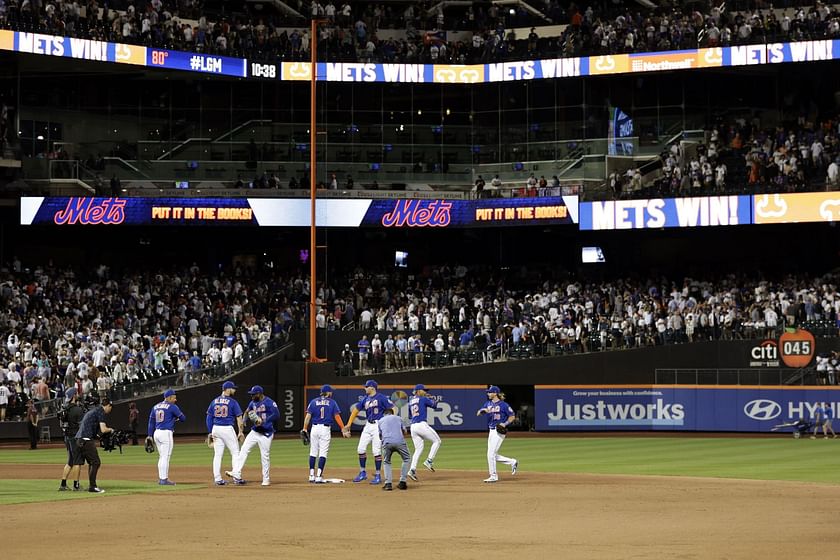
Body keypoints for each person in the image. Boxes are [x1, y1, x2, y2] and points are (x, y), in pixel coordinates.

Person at [342, 380, 395, 484]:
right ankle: (362, 473)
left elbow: (393, 408)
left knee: (376, 451)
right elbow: (355, 411)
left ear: (372, 388)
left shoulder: (382, 397)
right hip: (368, 425)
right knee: (360, 449)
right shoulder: (365, 399)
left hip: (378, 425)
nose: (365, 388)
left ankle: (378, 475)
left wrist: (390, 422)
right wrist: (348, 424)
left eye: (366, 387)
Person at [227, 386, 279, 486]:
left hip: (266, 433)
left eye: (253, 394)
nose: (251, 396)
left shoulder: (269, 402)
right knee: (244, 450)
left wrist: (264, 421)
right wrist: (244, 421)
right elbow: (247, 411)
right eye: (251, 394)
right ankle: (236, 472)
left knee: (265, 456)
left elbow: (277, 415)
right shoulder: (252, 403)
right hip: (255, 432)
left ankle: (266, 479)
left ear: (259, 393)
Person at [301, 384, 349, 483]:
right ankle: (318, 476)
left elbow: (308, 417)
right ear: (327, 392)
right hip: (325, 429)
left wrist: (305, 428)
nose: (332, 393)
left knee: (313, 452)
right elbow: (337, 417)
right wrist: (343, 429)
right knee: (323, 452)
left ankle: (311, 475)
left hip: (314, 428)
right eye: (331, 391)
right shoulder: (332, 402)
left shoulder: (313, 402)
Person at [206, 381, 245, 485]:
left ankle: (217, 479)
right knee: (235, 452)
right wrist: (240, 431)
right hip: (227, 429)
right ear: (227, 389)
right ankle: (237, 477)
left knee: (218, 455)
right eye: (233, 388)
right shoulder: (232, 402)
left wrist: (210, 432)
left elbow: (209, 417)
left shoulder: (214, 401)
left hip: (216, 428)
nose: (234, 390)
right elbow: (239, 418)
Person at [476, 386, 518, 483]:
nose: (488, 394)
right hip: (491, 431)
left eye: (489, 392)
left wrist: (505, 423)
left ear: (495, 393)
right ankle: (513, 462)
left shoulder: (504, 405)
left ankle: (493, 476)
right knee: (493, 455)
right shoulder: (487, 403)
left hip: (499, 431)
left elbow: (512, 416)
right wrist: (483, 411)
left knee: (490, 454)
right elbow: (478, 413)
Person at [75, 397, 114, 493]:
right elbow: (103, 429)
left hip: (79, 439)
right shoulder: (101, 411)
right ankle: (92, 486)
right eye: (111, 407)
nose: (110, 409)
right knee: (96, 462)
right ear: (108, 405)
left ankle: (91, 485)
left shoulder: (94, 411)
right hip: (86, 440)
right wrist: (111, 430)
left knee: (92, 463)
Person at [148, 389, 186, 485]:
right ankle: (164, 479)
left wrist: (149, 435)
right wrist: (174, 417)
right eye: (174, 397)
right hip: (166, 433)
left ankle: (161, 478)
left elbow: (151, 422)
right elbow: (183, 418)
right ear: (169, 397)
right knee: (165, 457)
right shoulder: (172, 407)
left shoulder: (155, 406)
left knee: (162, 457)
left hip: (156, 433)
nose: (175, 399)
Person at [407, 384, 442, 481]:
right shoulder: (423, 399)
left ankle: (412, 470)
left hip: (413, 427)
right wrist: (431, 399)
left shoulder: (410, 401)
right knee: (437, 441)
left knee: (418, 449)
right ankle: (429, 461)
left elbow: (410, 415)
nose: (425, 392)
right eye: (424, 390)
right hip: (421, 425)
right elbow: (435, 406)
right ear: (418, 391)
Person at [58, 388, 85, 491]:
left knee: (70, 461)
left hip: (67, 437)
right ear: (74, 396)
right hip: (75, 437)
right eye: (76, 393)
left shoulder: (64, 409)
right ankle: (76, 485)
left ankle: (63, 484)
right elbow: (82, 426)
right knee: (78, 462)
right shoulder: (77, 410)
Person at [378, 407, 411, 490]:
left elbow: (380, 436)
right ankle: (402, 482)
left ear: (384, 414)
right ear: (392, 413)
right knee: (406, 459)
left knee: (386, 462)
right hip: (400, 442)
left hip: (387, 442)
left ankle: (388, 484)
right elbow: (405, 431)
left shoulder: (380, 420)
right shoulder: (399, 418)